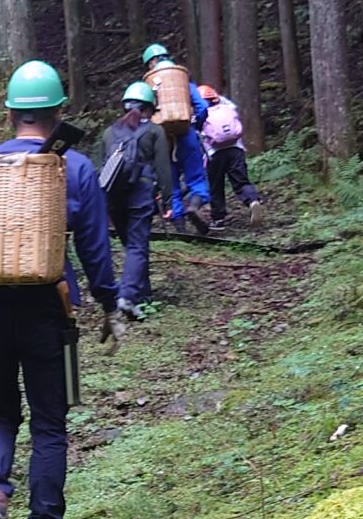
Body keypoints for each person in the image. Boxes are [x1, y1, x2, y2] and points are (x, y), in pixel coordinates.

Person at [0, 61, 119, 519]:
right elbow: (95, 246)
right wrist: (108, 301)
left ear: (10, 113)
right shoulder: (72, 166)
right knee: (49, 423)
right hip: (45, 305)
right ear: (57, 112)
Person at [99, 81, 170, 317]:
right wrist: (167, 199)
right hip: (141, 194)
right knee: (137, 246)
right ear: (149, 108)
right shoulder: (155, 131)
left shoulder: (109, 133)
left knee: (132, 246)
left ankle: (143, 293)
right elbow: (163, 168)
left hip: (114, 198)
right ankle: (127, 296)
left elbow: (104, 169)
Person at [141, 40, 210, 236]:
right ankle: (194, 206)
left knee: (171, 183)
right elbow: (203, 107)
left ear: (151, 62)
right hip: (186, 134)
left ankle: (180, 229)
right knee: (196, 178)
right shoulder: (183, 81)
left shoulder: (150, 85)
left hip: (163, 139)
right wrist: (194, 124)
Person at [197, 86, 263, 227]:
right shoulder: (227, 107)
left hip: (214, 153)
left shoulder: (200, 113)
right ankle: (252, 200)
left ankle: (218, 219)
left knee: (216, 186)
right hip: (236, 149)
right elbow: (233, 108)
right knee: (241, 181)